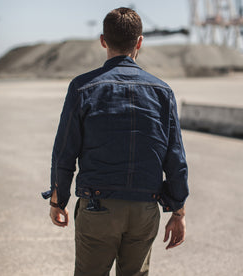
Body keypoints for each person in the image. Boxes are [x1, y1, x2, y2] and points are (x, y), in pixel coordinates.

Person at [42, 7, 189, 276]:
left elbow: (64, 151)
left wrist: (57, 199)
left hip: (98, 208)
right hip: (144, 209)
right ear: (140, 42)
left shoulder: (82, 87)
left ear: (103, 40)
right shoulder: (163, 92)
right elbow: (175, 159)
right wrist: (177, 211)